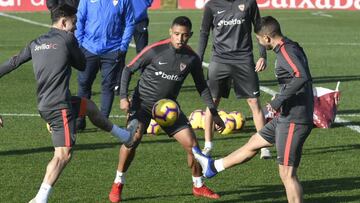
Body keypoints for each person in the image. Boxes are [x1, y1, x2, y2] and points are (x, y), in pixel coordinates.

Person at [0, 5, 137, 203]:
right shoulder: (67, 39)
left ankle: (124, 136)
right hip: (59, 106)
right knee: (63, 154)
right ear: (64, 22)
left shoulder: (36, 42)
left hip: (46, 104)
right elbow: (82, 65)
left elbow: (12, 63)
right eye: (73, 22)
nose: (75, 27)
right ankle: (40, 198)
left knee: (88, 106)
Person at [193, 16, 314, 203]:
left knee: (287, 174)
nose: (258, 42)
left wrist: (278, 100)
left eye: (258, 39)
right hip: (286, 116)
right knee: (254, 142)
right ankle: (214, 166)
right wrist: (281, 97)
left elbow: (301, 76)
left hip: (294, 120)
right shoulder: (289, 46)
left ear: (267, 38)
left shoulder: (287, 51)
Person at [108, 16, 226, 203]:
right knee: (133, 139)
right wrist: (123, 98)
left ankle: (198, 185)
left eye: (185, 35)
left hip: (167, 108)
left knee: (192, 145)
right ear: (170, 32)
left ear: (190, 35)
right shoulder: (155, 50)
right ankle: (118, 183)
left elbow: (202, 87)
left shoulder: (192, 58)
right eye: (177, 34)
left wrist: (214, 113)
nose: (180, 39)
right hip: (142, 105)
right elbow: (127, 70)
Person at [197, 0, 271, 158]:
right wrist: (198, 59)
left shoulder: (249, 2)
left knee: (254, 102)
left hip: (244, 59)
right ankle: (208, 146)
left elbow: (259, 28)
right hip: (219, 60)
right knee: (212, 102)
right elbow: (204, 33)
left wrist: (262, 56)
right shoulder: (211, 5)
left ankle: (264, 145)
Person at [75, 0, 135, 130]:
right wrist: (79, 43)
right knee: (84, 83)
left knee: (108, 85)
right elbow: (79, 19)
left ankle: (103, 121)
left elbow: (130, 22)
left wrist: (123, 47)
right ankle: (79, 119)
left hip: (112, 50)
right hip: (88, 48)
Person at [114, 0, 153, 95]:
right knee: (120, 53)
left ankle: (145, 84)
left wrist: (143, 5)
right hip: (123, 21)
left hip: (140, 20)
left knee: (143, 53)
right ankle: (118, 84)